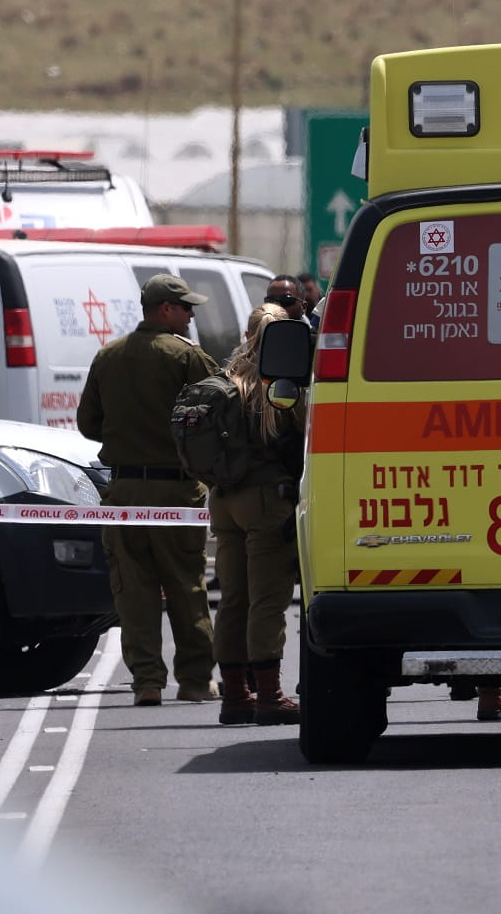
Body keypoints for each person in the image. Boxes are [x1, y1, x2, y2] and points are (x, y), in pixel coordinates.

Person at [76, 274, 220, 706]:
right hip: (176, 492)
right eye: (185, 308)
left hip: (123, 494)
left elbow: (88, 424)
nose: (191, 315)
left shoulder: (109, 356)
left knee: (133, 592)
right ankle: (195, 681)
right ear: (164, 309)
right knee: (186, 587)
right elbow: (219, 414)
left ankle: (147, 683)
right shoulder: (187, 357)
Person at [211, 304, 306, 726]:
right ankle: (269, 696)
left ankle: (235, 696)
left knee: (232, 600)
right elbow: (305, 434)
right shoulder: (278, 385)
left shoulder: (225, 379)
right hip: (265, 503)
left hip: (223, 500)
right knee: (268, 602)